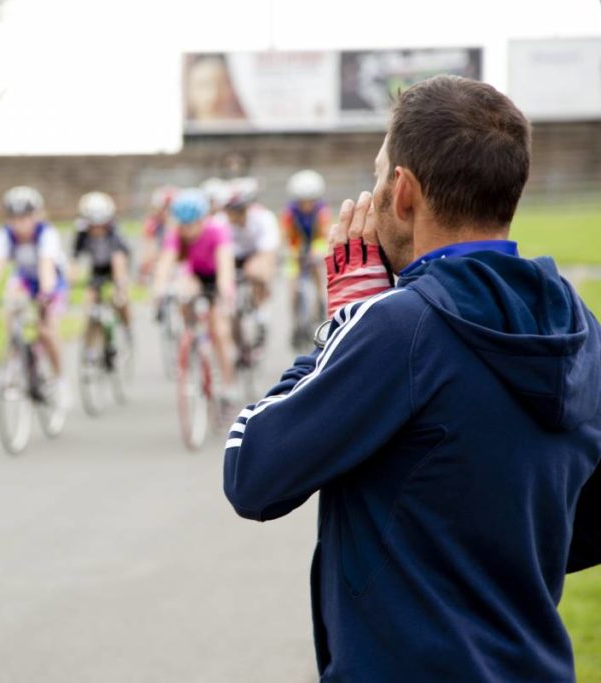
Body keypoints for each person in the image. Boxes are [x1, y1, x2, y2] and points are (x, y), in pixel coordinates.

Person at [224, 75, 601, 681]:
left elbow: (253, 474)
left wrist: (344, 322)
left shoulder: (400, 328)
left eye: (378, 176)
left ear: (403, 192)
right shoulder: (576, 320)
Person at [0, 186, 68, 385]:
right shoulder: (4, 235)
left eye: (25, 218)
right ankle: (15, 354)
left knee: (46, 331)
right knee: (11, 301)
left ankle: (59, 377)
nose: (20, 224)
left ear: (37, 216)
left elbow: (46, 267)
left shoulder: (46, 234)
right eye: (14, 218)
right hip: (25, 279)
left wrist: (47, 293)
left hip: (52, 281)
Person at [151, 188, 236, 403]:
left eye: (192, 224)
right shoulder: (176, 235)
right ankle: (191, 334)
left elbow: (225, 265)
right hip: (195, 276)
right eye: (183, 225)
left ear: (202, 219)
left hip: (215, 275)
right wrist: (158, 290)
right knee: (182, 289)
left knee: (220, 330)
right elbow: (165, 263)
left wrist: (225, 291)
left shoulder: (216, 231)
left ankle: (227, 383)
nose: (188, 230)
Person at [224, 179, 280, 336]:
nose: (233, 216)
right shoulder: (221, 221)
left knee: (255, 271)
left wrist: (264, 275)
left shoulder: (264, 218)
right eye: (230, 211)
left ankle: (261, 309)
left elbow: (268, 253)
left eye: (238, 211)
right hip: (231, 256)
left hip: (256, 254)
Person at [71, 191, 132, 330]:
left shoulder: (114, 232)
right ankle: (90, 346)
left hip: (115, 266)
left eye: (101, 225)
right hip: (97, 267)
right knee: (89, 305)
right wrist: (73, 279)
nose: (97, 230)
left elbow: (119, 258)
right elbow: (75, 257)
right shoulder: (81, 233)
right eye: (93, 225)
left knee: (120, 300)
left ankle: (127, 327)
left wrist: (120, 285)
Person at [282, 169, 332, 325]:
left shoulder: (322, 211)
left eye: (310, 201)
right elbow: (286, 236)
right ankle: (295, 319)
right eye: (302, 201)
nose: (306, 205)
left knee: (318, 267)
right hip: (296, 246)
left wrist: (317, 252)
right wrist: (289, 252)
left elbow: (324, 234)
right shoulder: (290, 213)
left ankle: (321, 301)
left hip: (316, 243)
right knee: (293, 281)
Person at [138, 185, 176, 283]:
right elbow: (147, 251)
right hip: (158, 260)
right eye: (164, 208)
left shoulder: (180, 225)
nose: (167, 212)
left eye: (170, 208)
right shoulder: (152, 224)